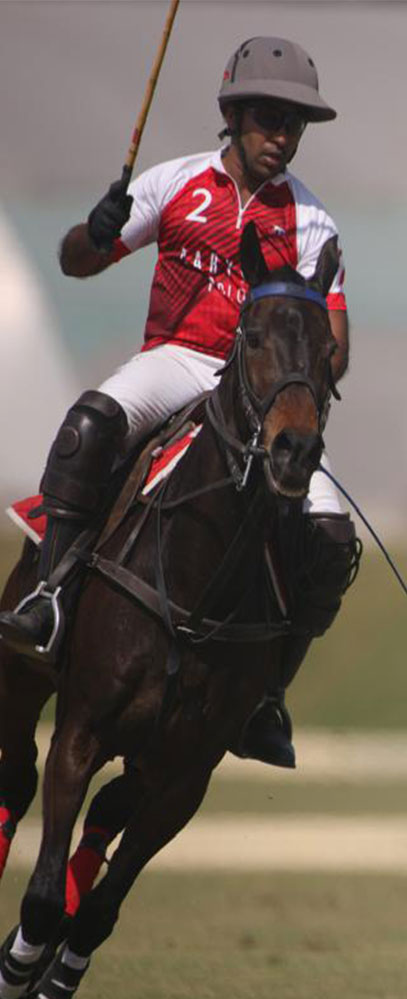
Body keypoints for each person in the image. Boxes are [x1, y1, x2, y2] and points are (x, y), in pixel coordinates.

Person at [0, 36, 358, 767]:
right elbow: (77, 263)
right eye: (268, 116)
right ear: (233, 114)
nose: (281, 135)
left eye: (294, 123)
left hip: (257, 394)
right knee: (89, 422)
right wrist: (95, 232)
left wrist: (301, 350)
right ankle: (53, 599)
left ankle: (266, 695)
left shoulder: (313, 222)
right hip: (177, 360)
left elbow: (337, 346)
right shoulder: (175, 184)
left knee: (329, 530)